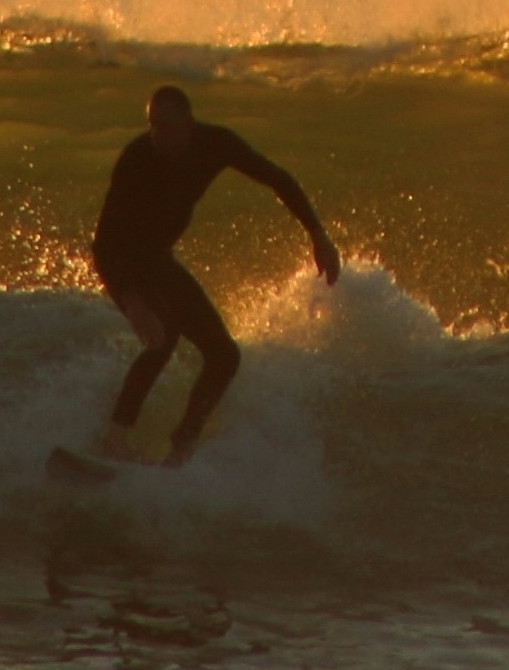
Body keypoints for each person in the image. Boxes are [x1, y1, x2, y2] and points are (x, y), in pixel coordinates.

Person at [91, 85, 339, 466]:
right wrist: (132, 302)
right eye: (153, 125)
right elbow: (104, 245)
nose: (158, 135)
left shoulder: (215, 144)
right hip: (125, 263)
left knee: (224, 356)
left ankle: (181, 449)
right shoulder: (136, 159)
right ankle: (114, 440)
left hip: (159, 260)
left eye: (167, 126)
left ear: (188, 123)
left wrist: (317, 234)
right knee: (163, 337)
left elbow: (277, 178)